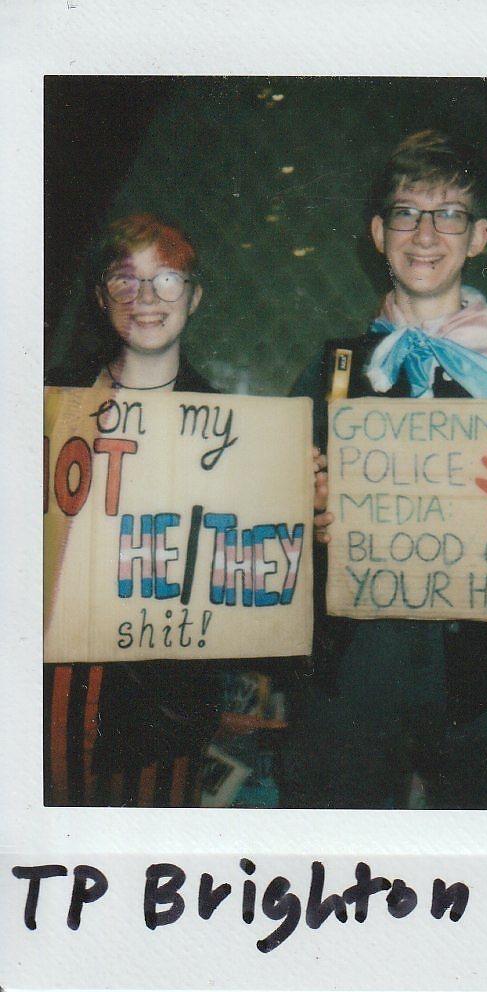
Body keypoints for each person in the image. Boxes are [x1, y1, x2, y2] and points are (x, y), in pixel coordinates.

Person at [283, 129, 487, 810]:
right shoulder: (331, 371)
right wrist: (306, 507)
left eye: (447, 214)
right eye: (405, 213)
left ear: (476, 237)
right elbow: (276, 525)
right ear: (377, 233)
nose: (425, 233)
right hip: (358, 675)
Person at [44, 213, 222, 806]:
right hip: (53, 690)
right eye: (127, 280)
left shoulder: (231, 428)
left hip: (162, 702)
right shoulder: (50, 401)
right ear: (102, 297)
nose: (146, 298)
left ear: (193, 298)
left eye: (166, 279)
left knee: (152, 863)